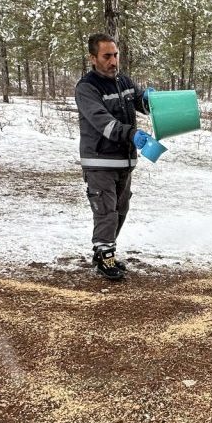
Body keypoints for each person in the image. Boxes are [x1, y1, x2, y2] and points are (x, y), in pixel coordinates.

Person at [75, 32, 154, 281]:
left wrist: (151, 100)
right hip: (99, 160)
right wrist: (131, 134)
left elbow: (141, 104)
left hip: (124, 161)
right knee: (106, 211)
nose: (113, 61)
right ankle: (105, 257)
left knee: (120, 209)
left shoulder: (124, 82)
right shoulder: (87, 87)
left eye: (115, 55)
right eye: (106, 56)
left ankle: (103, 252)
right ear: (93, 58)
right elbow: (103, 122)